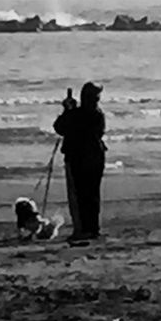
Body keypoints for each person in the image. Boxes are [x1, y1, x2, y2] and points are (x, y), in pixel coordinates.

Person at [53, 81, 107, 240]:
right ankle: (91, 228)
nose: (97, 99)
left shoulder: (78, 114)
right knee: (91, 194)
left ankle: (82, 229)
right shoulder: (96, 113)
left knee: (78, 195)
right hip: (94, 156)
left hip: (78, 157)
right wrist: (69, 111)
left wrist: (67, 111)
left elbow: (59, 127)